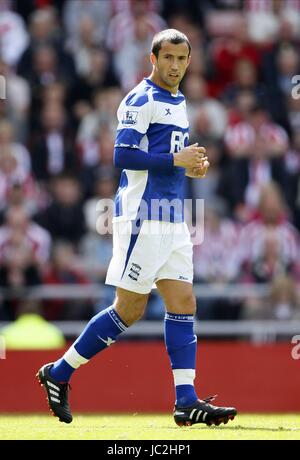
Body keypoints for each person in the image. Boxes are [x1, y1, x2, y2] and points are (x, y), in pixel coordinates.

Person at [37, 29, 237, 427]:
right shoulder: (140, 98)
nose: (176, 66)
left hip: (173, 217)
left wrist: (192, 167)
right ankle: (59, 372)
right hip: (143, 217)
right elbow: (121, 155)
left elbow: (169, 159)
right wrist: (174, 160)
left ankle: (186, 400)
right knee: (129, 309)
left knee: (183, 303)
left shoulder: (179, 101)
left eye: (182, 59)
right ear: (153, 58)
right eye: (168, 58)